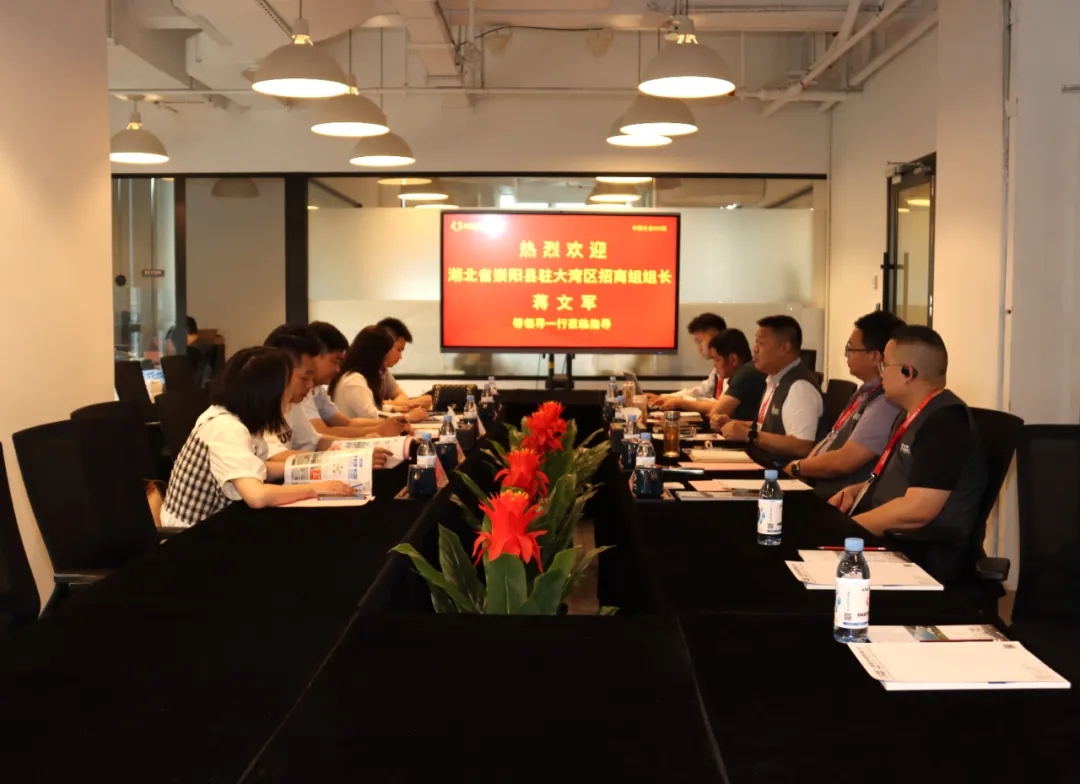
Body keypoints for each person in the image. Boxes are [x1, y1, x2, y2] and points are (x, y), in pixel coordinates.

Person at [829, 327, 987, 578]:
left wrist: (848, 529)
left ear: (908, 372)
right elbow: (905, 478)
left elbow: (918, 509)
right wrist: (857, 491)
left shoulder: (945, 422)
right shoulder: (910, 415)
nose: (880, 373)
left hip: (920, 558)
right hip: (892, 544)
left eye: (885, 365)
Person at [160, 347, 357, 528]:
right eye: (287, 384)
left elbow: (260, 468)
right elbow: (257, 496)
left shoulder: (238, 418)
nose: (290, 393)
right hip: (190, 535)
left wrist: (315, 466)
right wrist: (315, 488)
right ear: (267, 391)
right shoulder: (226, 427)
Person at [785, 311, 906, 498]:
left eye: (850, 349)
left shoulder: (885, 402)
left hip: (839, 498)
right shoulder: (864, 393)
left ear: (875, 357)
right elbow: (831, 439)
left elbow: (844, 461)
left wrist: (797, 467)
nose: (845, 355)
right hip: (817, 486)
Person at [718, 315, 823, 459]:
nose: (755, 349)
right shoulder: (775, 379)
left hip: (778, 470)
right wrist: (735, 425)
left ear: (784, 347)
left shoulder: (799, 387)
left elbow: (801, 445)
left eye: (761, 343)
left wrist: (749, 435)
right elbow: (768, 428)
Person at [306, 321, 408, 439]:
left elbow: (347, 422)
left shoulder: (317, 390)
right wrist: (380, 429)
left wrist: (392, 423)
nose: (338, 369)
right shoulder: (354, 381)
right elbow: (321, 434)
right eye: (335, 361)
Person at [331, 326, 428, 424]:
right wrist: (408, 417)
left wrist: (394, 408)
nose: (385, 363)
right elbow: (372, 416)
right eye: (384, 356)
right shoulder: (355, 381)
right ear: (374, 355)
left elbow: (370, 407)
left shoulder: (359, 377)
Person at [645, 313, 727, 408]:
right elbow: (701, 391)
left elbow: (721, 405)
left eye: (699, 341)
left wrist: (681, 402)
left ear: (716, 338)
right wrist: (662, 397)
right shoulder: (716, 369)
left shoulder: (729, 367)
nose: (699, 348)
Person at [702, 329, 767, 423]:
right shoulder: (746, 370)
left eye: (717, 360)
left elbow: (715, 414)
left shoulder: (746, 373)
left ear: (733, 360)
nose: (714, 365)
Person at [376, 317, 433, 410]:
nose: (400, 357)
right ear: (385, 344)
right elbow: (375, 406)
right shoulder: (361, 373)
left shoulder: (383, 371)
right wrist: (415, 402)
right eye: (398, 350)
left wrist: (390, 404)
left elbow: (401, 396)